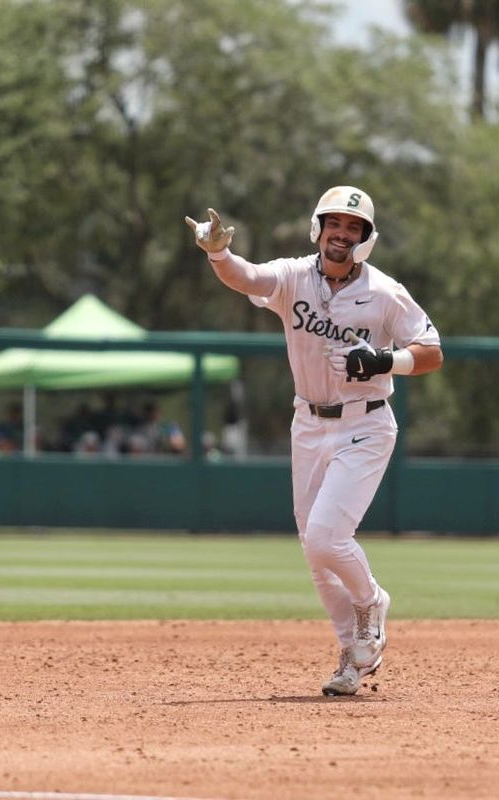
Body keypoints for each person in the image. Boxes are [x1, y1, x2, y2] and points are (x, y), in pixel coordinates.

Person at [185, 186, 443, 696]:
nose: (341, 235)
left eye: (353, 228)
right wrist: (217, 251)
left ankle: (371, 601)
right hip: (309, 423)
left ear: (365, 239)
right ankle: (352, 654)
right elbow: (247, 277)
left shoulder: (385, 291)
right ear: (318, 228)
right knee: (314, 550)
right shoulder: (294, 276)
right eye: (334, 224)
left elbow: (432, 351)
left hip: (365, 423)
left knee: (327, 537)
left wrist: (386, 360)